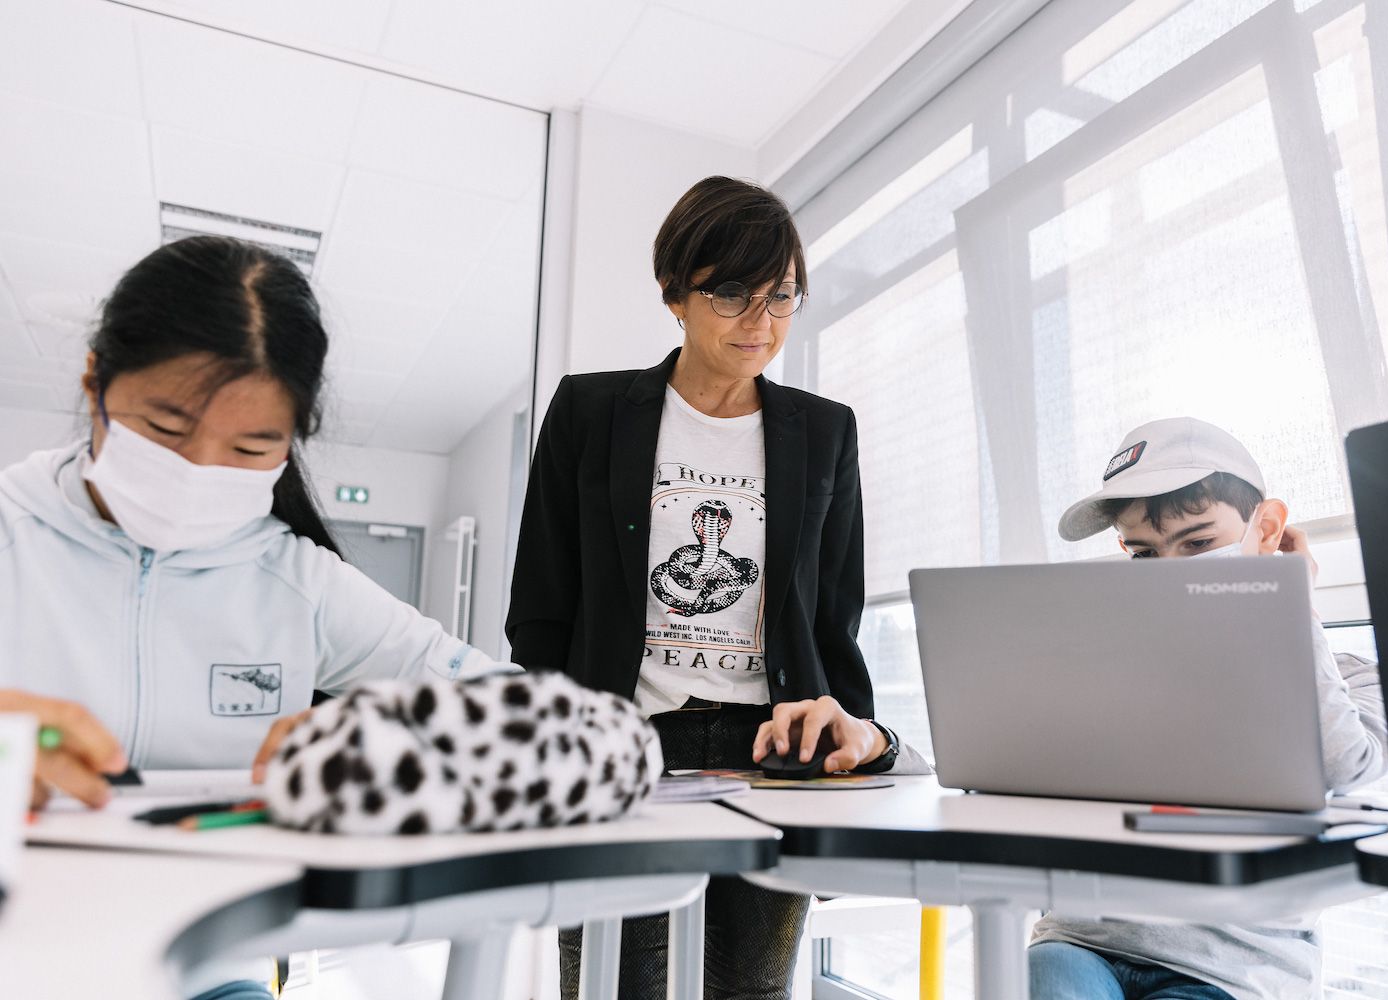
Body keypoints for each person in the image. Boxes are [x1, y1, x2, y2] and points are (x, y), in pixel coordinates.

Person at [0, 235, 505, 999]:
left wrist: (408, 734)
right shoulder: (12, 533)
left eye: (249, 446)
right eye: (166, 430)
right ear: (95, 381)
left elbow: (528, 711)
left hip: (211, 965)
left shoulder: (298, 582)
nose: (198, 469)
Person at [507, 175, 925, 1000]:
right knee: (609, 985)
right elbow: (543, 604)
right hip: (623, 745)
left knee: (753, 991)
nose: (761, 323)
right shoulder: (591, 412)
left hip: (771, 753)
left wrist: (851, 747)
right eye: (732, 294)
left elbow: (832, 612)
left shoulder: (824, 429)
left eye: (782, 297)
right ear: (675, 292)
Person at [1032, 416, 1388, 1000]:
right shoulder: (1104, 666)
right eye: (1145, 555)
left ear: (1267, 529)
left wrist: (1287, 600)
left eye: (1198, 543)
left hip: (1232, 970)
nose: (1171, 574)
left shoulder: (1355, 680)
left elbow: (1340, 767)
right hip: (1079, 939)